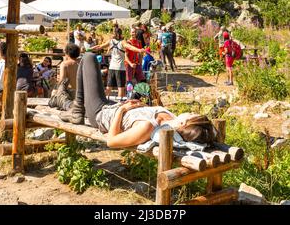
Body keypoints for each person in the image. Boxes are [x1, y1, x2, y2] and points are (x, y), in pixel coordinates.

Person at [54, 54, 217, 150]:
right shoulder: (170, 119)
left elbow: (111, 141)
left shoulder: (149, 127)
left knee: (88, 58)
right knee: (85, 70)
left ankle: (73, 108)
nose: (190, 112)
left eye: (192, 114)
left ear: (184, 123)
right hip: (114, 106)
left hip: (101, 113)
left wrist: (122, 110)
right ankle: (69, 104)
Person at [90, 27, 147, 101]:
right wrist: (139, 50)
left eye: (114, 32)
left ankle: (103, 102)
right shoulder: (122, 42)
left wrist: (89, 49)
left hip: (112, 68)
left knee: (108, 88)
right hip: (120, 69)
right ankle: (119, 104)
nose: (113, 34)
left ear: (116, 33)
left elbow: (99, 47)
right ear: (120, 34)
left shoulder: (111, 41)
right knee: (120, 89)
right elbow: (130, 47)